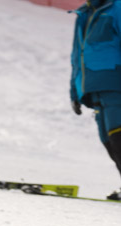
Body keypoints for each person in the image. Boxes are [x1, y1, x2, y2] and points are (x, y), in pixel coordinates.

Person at [70, 0, 121, 200]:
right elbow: (77, 57)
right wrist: (75, 91)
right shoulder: (83, 14)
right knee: (109, 141)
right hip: (94, 89)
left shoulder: (116, 9)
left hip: (116, 84)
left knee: (119, 137)